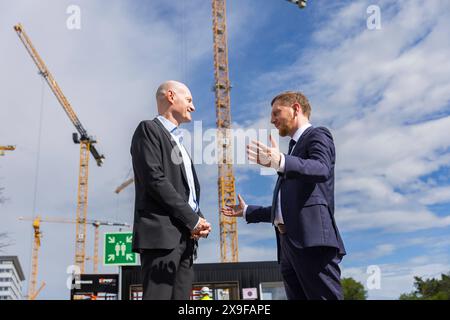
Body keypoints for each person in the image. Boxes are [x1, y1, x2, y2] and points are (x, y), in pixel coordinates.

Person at [221, 91, 346, 300]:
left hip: (311, 240)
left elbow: (322, 168)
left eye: (276, 112)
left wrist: (281, 161)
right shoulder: (292, 153)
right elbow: (286, 207)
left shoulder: (318, 135)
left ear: (296, 108)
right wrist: (247, 211)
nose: (272, 120)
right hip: (288, 245)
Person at [131, 80, 211, 300]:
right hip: (161, 237)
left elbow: (185, 192)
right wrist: (193, 219)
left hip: (185, 239)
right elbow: (154, 180)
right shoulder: (149, 130)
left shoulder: (180, 145)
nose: (193, 107)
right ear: (170, 96)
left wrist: (198, 219)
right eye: (189, 100)